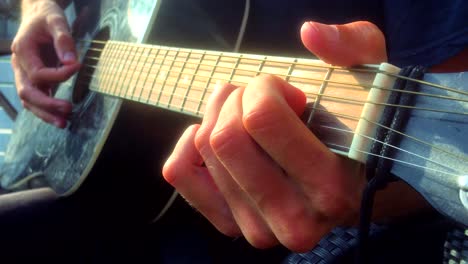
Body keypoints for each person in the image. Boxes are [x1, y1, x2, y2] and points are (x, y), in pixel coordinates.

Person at [11, 0, 468, 261]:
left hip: (225, 226)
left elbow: (432, 138)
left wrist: (360, 194)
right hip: (102, 169)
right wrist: (37, 10)